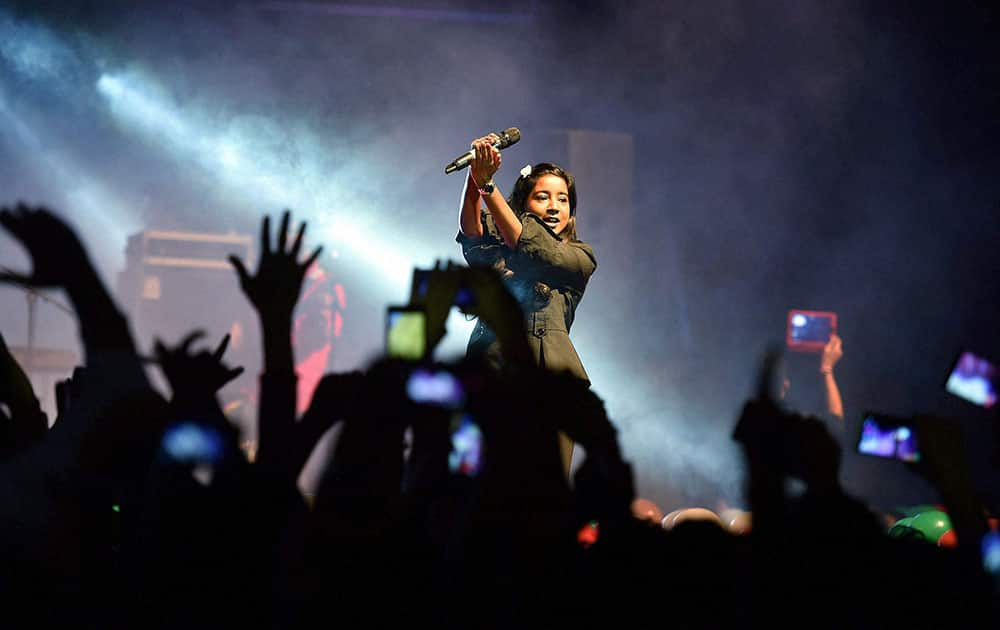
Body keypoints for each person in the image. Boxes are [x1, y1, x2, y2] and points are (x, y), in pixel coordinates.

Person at [456, 133, 597, 472]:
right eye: (542, 197)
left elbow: (532, 247)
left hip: (548, 381)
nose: (553, 206)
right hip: (490, 372)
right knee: (477, 488)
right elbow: (473, 233)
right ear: (523, 206)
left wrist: (488, 187)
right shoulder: (501, 251)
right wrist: (475, 174)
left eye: (562, 199)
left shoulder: (579, 257)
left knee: (541, 494)